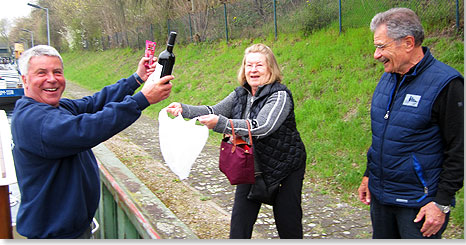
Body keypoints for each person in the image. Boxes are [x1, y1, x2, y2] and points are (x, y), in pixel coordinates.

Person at [11, 45, 174, 238]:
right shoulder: (34, 119)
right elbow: (86, 129)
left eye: (57, 72)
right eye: (41, 73)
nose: (52, 79)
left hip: (72, 229)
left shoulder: (53, 108)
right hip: (54, 235)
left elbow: (94, 103)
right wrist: (142, 99)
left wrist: (136, 79)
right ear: (25, 80)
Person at [166, 43, 306, 239]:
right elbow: (215, 111)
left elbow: (261, 126)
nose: (253, 70)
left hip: (283, 168)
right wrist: (184, 109)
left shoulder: (280, 95)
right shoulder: (241, 94)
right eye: (249, 65)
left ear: (270, 68)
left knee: (288, 227)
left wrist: (222, 124)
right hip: (251, 165)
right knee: (239, 226)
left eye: (259, 65)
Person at [357, 8, 464, 239]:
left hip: (419, 206)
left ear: (408, 42)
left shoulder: (447, 84)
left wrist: (442, 202)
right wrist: (369, 175)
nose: (376, 55)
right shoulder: (387, 78)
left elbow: (460, 149)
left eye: (381, 46)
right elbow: (383, 136)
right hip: (382, 198)